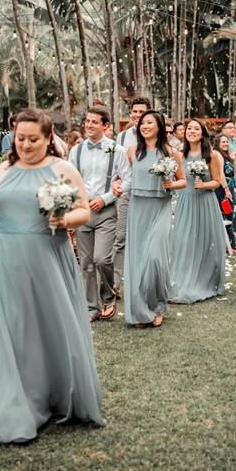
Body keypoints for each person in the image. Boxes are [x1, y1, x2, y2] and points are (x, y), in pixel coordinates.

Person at [0, 108, 104, 443]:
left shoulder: (62, 168)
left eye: (33, 139)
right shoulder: (5, 167)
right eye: (21, 139)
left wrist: (63, 221)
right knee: (12, 327)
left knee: (48, 324)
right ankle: (15, 397)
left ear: (48, 138)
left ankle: (54, 392)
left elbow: (84, 211)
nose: (27, 145)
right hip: (4, 258)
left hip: (47, 256)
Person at [125, 111, 185, 327]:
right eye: (142, 123)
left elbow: (183, 181)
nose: (144, 126)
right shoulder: (133, 152)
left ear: (159, 126)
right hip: (138, 209)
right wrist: (115, 185)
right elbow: (126, 178)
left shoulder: (170, 152)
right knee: (139, 262)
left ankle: (158, 305)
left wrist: (171, 184)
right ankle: (142, 309)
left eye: (149, 122)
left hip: (160, 208)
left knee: (155, 259)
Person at [69, 106, 129, 322]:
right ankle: (91, 307)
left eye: (95, 122)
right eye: (87, 121)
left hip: (106, 211)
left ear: (106, 125)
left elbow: (128, 179)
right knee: (85, 261)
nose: (89, 125)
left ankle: (109, 296)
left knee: (101, 259)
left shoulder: (117, 150)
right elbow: (70, 179)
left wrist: (106, 198)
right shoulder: (75, 151)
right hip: (82, 211)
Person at [169, 119, 227, 303]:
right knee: (183, 242)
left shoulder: (212, 155)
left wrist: (204, 184)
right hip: (185, 202)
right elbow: (178, 179)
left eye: (196, 128)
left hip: (204, 203)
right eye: (189, 128)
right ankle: (182, 282)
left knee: (203, 242)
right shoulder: (179, 155)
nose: (191, 131)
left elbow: (217, 181)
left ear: (202, 133)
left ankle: (203, 281)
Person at [112, 97, 151, 291]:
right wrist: (117, 181)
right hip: (127, 193)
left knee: (145, 239)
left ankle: (143, 281)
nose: (137, 115)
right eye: (134, 111)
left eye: (141, 111)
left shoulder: (155, 137)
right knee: (120, 237)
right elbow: (117, 166)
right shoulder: (121, 137)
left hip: (148, 195)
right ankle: (116, 284)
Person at [214, 134, 236, 251]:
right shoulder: (218, 154)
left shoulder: (226, 155)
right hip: (223, 188)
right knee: (227, 213)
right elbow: (220, 174)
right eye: (223, 142)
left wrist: (233, 160)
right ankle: (230, 244)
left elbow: (231, 171)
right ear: (218, 143)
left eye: (226, 142)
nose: (225, 144)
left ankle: (230, 243)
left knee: (231, 213)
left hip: (230, 184)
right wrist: (226, 190)